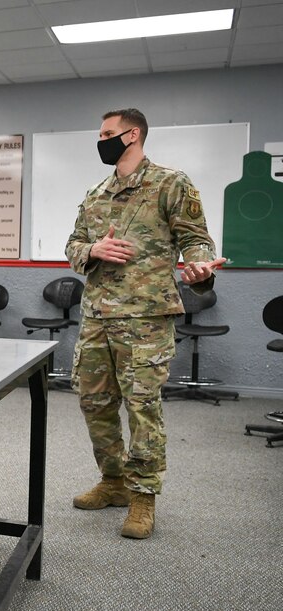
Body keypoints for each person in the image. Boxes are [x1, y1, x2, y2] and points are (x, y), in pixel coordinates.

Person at [65, 108, 226, 539]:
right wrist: (92, 249)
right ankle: (113, 481)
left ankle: (142, 496)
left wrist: (199, 269)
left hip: (145, 318)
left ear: (133, 134)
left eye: (107, 133)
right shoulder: (97, 191)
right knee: (94, 404)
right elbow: (73, 243)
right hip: (97, 314)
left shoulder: (171, 182)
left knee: (142, 408)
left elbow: (195, 238)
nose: (101, 140)